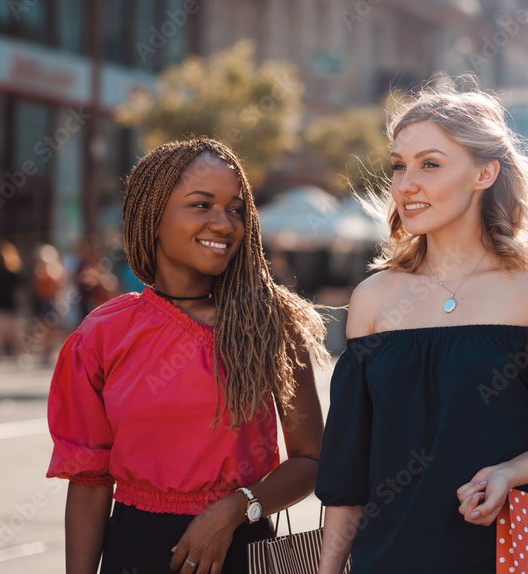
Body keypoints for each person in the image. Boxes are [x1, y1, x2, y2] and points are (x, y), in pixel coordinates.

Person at [315, 84, 528, 573]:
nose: (406, 183)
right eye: (399, 165)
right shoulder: (372, 299)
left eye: (429, 164)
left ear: (484, 172)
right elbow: (347, 477)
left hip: (505, 559)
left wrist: (509, 473)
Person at [47, 138, 328, 574]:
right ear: (153, 216)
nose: (224, 224)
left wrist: (236, 509)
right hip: (133, 552)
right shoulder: (102, 335)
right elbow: (89, 482)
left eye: (235, 209)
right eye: (202, 205)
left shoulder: (271, 324)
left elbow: (311, 461)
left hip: (243, 549)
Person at [0, 240, 25, 361]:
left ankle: (0, 354)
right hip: (8, 304)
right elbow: (19, 290)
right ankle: (17, 354)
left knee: (1, 332)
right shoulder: (10, 272)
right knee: (10, 332)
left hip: (0, 304)